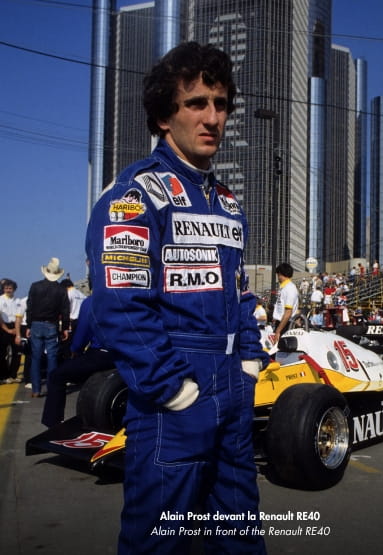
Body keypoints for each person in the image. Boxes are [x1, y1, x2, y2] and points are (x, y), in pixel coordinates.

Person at [85, 42, 269, 554]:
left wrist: (250, 363)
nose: (213, 117)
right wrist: (174, 389)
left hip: (232, 388)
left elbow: (239, 290)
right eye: (197, 103)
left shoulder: (228, 202)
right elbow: (121, 306)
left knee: (240, 537)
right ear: (166, 114)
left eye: (222, 103)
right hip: (173, 399)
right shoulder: (134, 194)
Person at [41, 295, 115, 428]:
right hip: (130, 355)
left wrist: (76, 349)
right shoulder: (134, 296)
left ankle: (53, 423)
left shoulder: (93, 300)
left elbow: (83, 332)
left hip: (102, 354)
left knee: (57, 376)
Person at [26, 258, 70, 398]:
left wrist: (28, 325)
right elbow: (65, 311)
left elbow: (30, 308)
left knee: (36, 357)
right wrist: (65, 328)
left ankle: (36, 389)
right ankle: (52, 388)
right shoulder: (61, 290)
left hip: (36, 324)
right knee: (52, 358)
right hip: (52, 325)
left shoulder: (35, 286)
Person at [0, 279, 24, 384]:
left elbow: (19, 316)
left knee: (17, 352)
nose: (8, 290)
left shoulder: (18, 301)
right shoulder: (0, 299)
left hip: (16, 326)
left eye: (10, 288)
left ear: (14, 289)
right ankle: (3, 376)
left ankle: (13, 375)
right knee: (2, 353)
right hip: (3, 326)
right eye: (6, 288)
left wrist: (16, 331)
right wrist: (7, 330)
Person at [271, 262, 299, 345]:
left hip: (285, 326)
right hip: (281, 324)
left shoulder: (290, 288)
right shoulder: (284, 288)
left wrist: (278, 331)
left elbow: (288, 312)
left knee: (279, 353)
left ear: (280, 274)